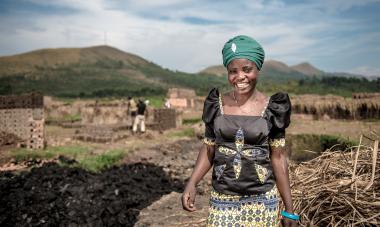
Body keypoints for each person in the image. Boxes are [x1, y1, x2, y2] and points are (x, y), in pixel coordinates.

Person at [181, 35, 298, 226]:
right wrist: (192, 183)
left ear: (257, 70)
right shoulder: (216, 104)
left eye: (247, 69)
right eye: (232, 71)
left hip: (262, 201)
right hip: (222, 200)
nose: (240, 77)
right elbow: (209, 148)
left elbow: (278, 158)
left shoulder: (272, 108)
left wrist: (289, 209)